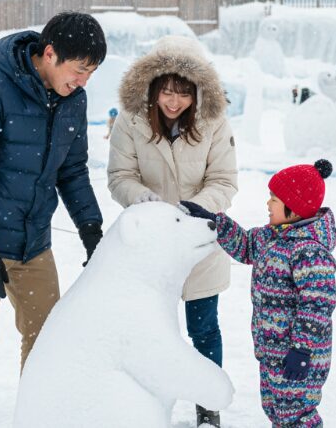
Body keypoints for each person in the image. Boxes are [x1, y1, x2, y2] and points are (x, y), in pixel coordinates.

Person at [0, 12, 107, 428]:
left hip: (33, 244)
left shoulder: (73, 100)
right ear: (49, 54)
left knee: (47, 343)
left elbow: (72, 170)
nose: (84, 80)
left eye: (92, 72)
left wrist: (91, 227)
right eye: (79, 69)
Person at [107, 35, 237, 428]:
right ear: (153, 86)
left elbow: (224, 181)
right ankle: (148, 405)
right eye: (167, 90)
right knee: (150, 332)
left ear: (198, 90)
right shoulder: (129, 121)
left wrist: (194, 210)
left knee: (204, 330)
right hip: (149, 247)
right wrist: (145, 201)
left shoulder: (214, 122)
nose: (174, 101)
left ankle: (206, 404)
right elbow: (120, 176)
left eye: (183, 92)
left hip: (198, 243)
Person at [180, 159, 336, 428]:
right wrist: (215, 221)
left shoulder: (309, 251)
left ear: (295, 208)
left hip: (298, 356)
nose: (268, 204)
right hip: (273, 351)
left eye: (274, 199)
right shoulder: (273, 236)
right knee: (277, 410)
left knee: (296, 415)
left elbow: (318, 305)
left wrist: (301, 350)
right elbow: (246, 246)